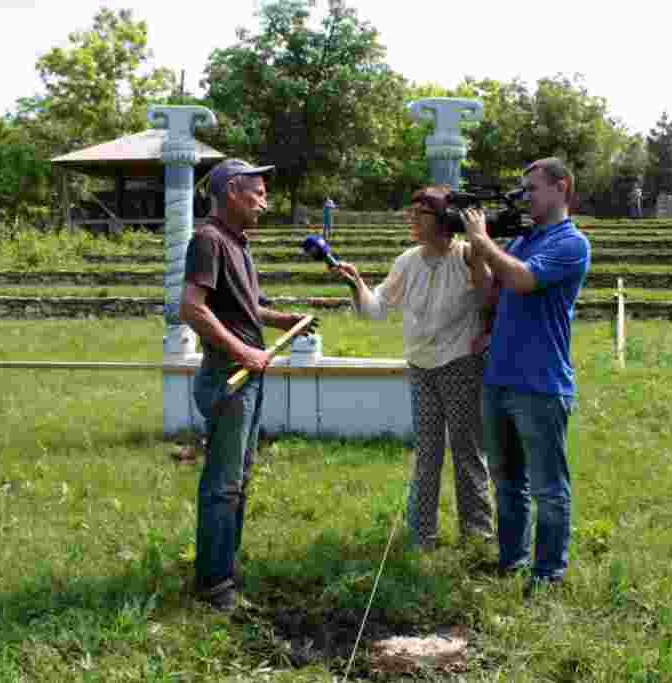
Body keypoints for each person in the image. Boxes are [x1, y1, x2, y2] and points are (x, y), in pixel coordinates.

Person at [180, 158, 316, 610]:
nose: (265, 200)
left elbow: (245, 307)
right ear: (234, 191)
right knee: (223, 483)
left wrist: (283, 321)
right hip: (229, 377)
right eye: (258, 192)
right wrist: (244, 353)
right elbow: (193, 309)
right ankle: (212, 584)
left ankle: (225, 568)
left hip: (248, 379)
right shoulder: (208, 240)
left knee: (239, 479)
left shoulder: (238, 245)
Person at [333, 186, 494, 551]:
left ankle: (478, 536)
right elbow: (375, 309)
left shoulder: (468, 256)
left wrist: (480, 248)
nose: (411, 220)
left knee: (468, 453)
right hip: (420, 368)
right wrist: (357, 285)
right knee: (427, 453)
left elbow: (489, 297)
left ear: (442, 221)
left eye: (419, 214)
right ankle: (423, 536)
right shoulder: (407, 261)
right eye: (411, 212)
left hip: (460, 365)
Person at [463, 157, 591, 596]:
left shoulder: (571, 243)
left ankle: (548, 573)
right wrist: (477, 253)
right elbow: (490, 292)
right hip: (499, 377)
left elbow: (522, 281)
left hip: (541, 382)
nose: (525, 197)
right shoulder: (520, 240)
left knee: (548, 488)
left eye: (532, 188)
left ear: (561, 188)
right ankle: (511, 560)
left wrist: (484, 240)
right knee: (508, 481)